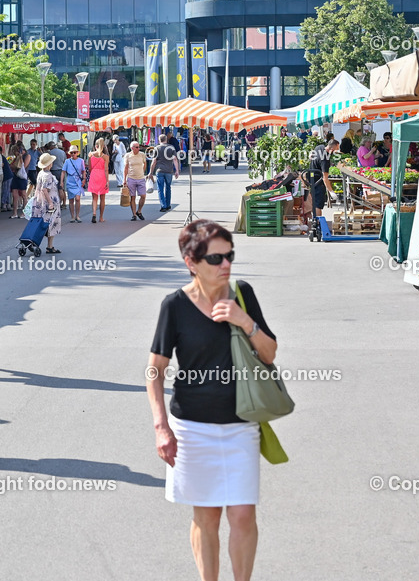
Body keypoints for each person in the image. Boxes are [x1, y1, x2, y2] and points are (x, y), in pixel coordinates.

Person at [147, 220, 278, 581]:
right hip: (191, 429)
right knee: (206, 517)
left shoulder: (243, 294)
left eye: (230, 255)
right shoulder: (174, 305)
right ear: (191, 262)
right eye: (216, 257)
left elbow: (269, 355)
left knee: (242, 515)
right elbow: (155, 370)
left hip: (240, 425)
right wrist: (161, 427)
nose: (226, 264)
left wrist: (244, 321)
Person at [32, 153, 63, 253]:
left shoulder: (41, 173)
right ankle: (49, 246)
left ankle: (47, 245)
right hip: (50, 202)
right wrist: (50, 202)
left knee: (43, 223)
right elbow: (45, 190)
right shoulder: (48, 175)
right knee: (51, 224)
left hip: (40, 202)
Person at [306, 138, 340, 217]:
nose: (337, 151)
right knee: (318, 204)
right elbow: (325, 177)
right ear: (331, 149)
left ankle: (315, 220)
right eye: (336, 149)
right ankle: (318, 222)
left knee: (314, 200)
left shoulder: (319, 147)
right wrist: (331, 191)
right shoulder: (325, 159)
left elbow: (311, 154)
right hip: (318, 181)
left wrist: (310, 156)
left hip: (311, 177)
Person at [150, 134, 181, 213]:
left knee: (160, 189)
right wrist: (177, 170)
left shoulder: (157, 148)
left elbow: (154, 161)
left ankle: (163, 206)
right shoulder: (171, 148)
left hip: (160, 171)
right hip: (169, 171)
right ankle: (168, 204)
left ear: (159, 140)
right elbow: (174, 159)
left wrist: (150, 172)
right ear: (166, 139)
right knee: (168, 187)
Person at [123, 141, 149, 221]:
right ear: (132, 148)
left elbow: (145, 164)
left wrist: (142, 172)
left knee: (143, 195)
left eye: (139, 147)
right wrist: (124, 180)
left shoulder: (142, 155)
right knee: (132, 197)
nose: (139, 148)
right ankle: (134, 214)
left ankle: (139, 211)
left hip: (141, 178)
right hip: (131, 178)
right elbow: (126, 168)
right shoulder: (128, 156)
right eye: (137, 147)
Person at [87, 137, 110, 223]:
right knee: (102, 198)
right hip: (102, 176)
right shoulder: (106, 157)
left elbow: (89, 167)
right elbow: (106, 169)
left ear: (95, 146)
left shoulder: (91, 155)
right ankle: (101, 217)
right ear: (103, 146)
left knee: (94, 198)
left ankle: (94, 213)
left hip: (94, 175)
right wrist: (107, 181)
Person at [63, 145, 87, 223]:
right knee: (71, 200)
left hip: (77, 181)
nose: (73, 154)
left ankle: (77, 215)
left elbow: (83, 171)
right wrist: (61, 181)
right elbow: (63, 172)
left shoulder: (81, 161)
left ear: (77, 153)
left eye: (75, 152)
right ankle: (72, 216)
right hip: (70, 180)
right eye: (72, 153)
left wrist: (84, 179)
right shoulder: (67, 161)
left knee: (77, 199)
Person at [9, 142, 30, 218]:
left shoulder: (27, 156)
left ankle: (24, 212)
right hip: (15, 177)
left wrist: (20, 158)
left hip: (22, 177)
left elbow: (23, 166)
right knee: (15, 195)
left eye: (15, 151)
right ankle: (15, 213)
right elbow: (11, 166)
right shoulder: (16, 157)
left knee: (24, 194)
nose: (14, 153)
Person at [48, 140, 67, 204]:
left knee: (53, 189)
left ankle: (55, 202)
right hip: (61, 171)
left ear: (50, 146)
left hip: (53, 171)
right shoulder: (62, 152)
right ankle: (61, 203)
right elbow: (65, 161)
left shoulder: (50, 153)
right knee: (61, 188)